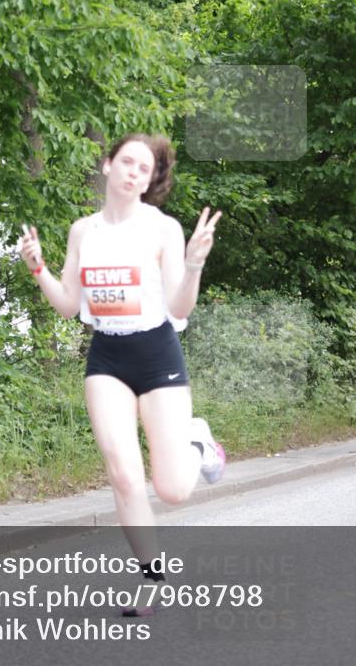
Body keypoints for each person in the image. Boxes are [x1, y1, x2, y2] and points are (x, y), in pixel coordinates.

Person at [19, 132, 224, 616]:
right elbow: (70, 306)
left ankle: (199, 443)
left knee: (172, 491)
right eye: (127, 161)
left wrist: (193, 265)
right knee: (124, 477)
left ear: (151, 180)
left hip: (158, 353)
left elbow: (178, 305)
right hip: (107, 357)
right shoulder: (82, 231)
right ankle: (152, 579)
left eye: (145, 168)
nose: (135, 171)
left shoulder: (163, 230)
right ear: (108, 165)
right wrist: (38, 268)